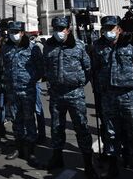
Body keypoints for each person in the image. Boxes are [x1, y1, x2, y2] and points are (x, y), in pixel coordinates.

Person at [43, 16, 97, 178]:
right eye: (56, 29)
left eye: (62, 29)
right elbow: (46, 66)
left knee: (81, 127)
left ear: (68, 29)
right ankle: (57, 157)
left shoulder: (79, 46)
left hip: (75, 93)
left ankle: (88, 163)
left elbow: (88, 68)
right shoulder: (49, 46)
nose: (59, 32)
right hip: (56, 93)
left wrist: (78, 82)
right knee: (56, 127)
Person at [92, 16, 133, 178]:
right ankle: (113, 165)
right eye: (105, 28)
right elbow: (94, 69)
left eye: (111, 28)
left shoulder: (132, 45)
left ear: (119, 29)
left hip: (129, 95)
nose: (108, 31)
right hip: (108, 96)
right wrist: (98, 92)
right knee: (111, 132)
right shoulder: (98, 46)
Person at [2, 21, 44, 165]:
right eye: (11, 32)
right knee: (16, 120)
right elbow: (4, 66)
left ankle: (31, 151)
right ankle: (19, 148)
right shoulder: (6, 48)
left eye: (15, 32)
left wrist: (30, 80)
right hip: (12, 90)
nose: (12, 35)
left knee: (29, 120)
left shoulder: (33, 48)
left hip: (27, 90)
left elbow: (40, 69)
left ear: (22, 32)